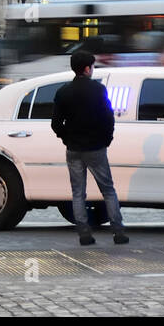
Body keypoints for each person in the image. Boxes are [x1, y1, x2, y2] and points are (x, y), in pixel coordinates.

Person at [51, 50, 128, 246]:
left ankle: (84, 234)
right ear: (87, 68)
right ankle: (118, 233)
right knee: (108, 190)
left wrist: (66, 138)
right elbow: (108, 117)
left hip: (74, 149)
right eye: (92, 67)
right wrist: (106, 139)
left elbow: (56, 124)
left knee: (78, 192)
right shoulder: (98, 90)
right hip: (95, 148)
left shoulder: (63, 92)